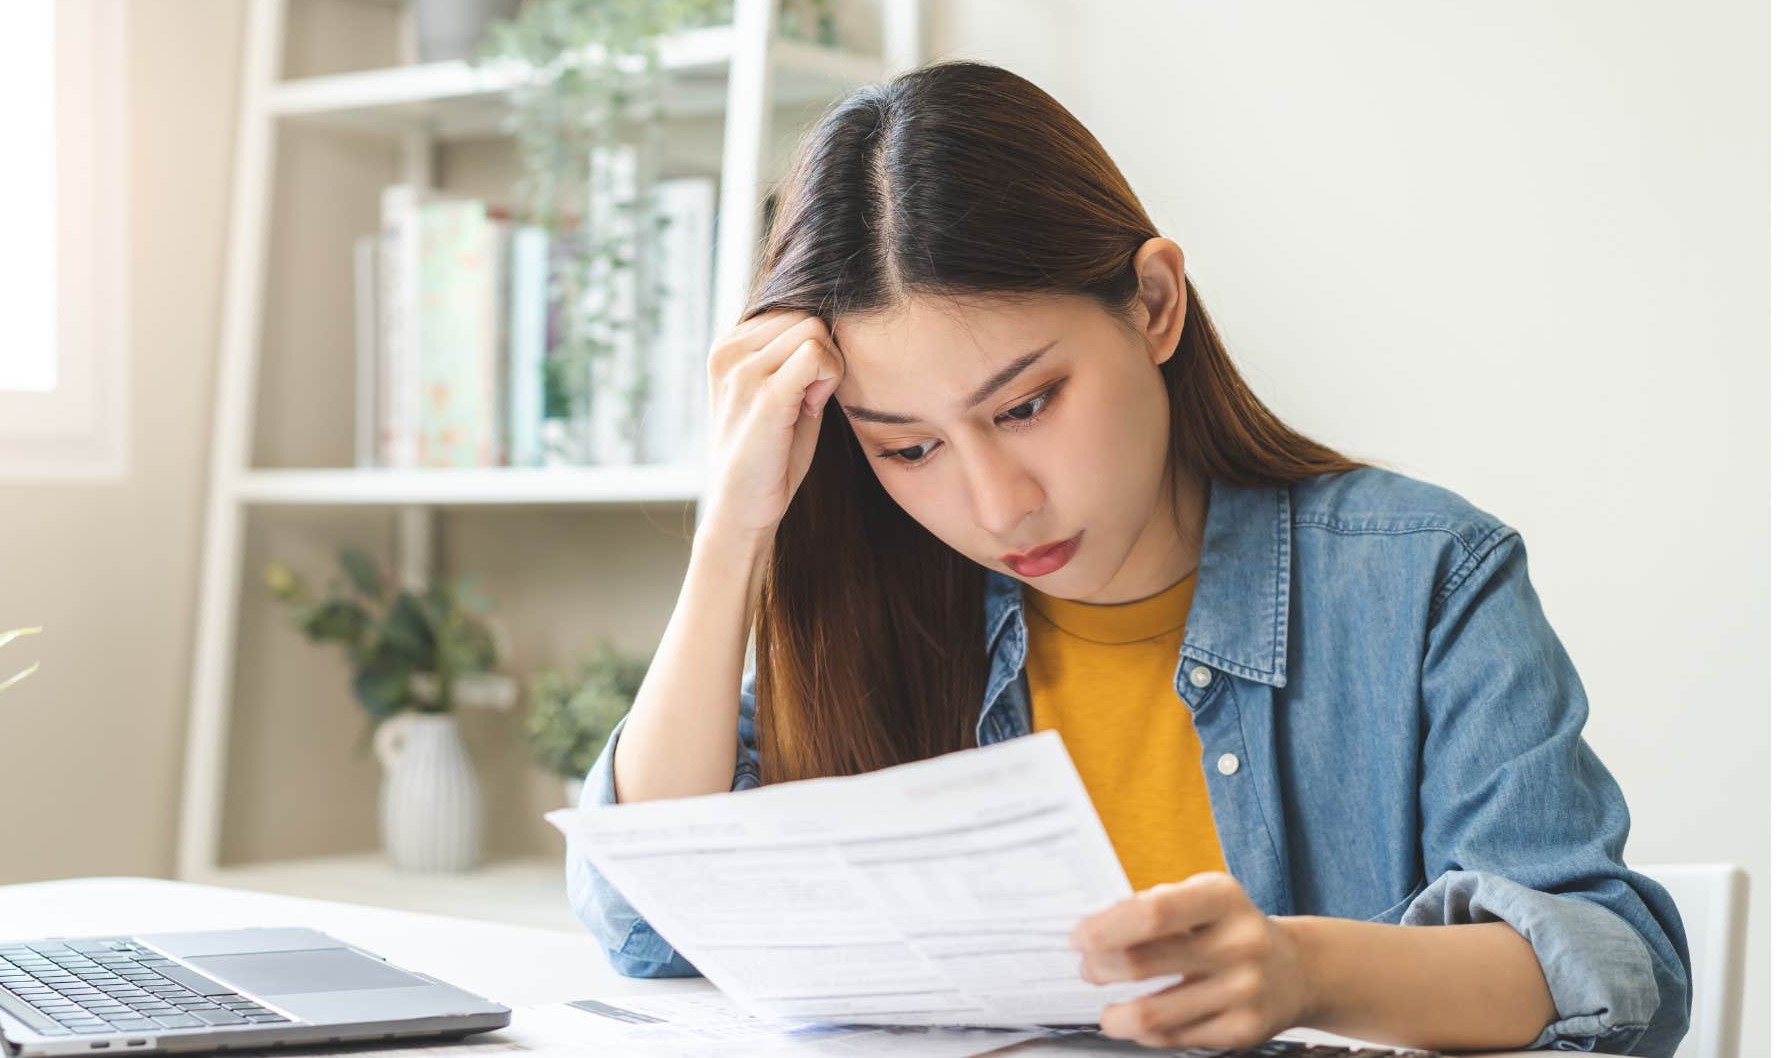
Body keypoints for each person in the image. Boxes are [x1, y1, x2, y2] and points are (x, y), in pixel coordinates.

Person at [564, 60, 1689, 1056]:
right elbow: (647, 918)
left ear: (1154, 304)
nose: (996, 504)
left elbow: (1606, 967)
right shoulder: (882, 603)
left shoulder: (1422, 577)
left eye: (1028, 404)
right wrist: (734, 534)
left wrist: (1309, 973)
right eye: (908, 448)